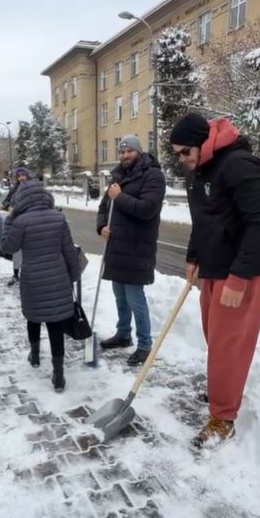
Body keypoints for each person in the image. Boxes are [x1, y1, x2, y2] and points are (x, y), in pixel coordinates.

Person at [170, 113, 260, 453]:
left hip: (240, 273)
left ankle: (224, 418)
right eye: (177, 155)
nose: (183, 160)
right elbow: (203, 222)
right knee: (215, 338)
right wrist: (192, 256)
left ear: (204, 142)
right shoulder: (199, 171)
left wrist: (239, 276)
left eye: (186, 151)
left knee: (228, 344)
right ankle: (223, 390)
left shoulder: (238, 165)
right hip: (214, 268)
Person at [2, 179, 79, 392]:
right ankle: (59, 375)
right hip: (58, 277)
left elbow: (8, 246)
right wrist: (72, 277)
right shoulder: (58, 218)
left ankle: (35, 356)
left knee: (33, 318)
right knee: (55, 324)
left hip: (32, 278)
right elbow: (69, 252)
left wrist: (9, 220)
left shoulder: (20, 221)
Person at [96, 135, 166, 366]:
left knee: (135, 298)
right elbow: (104, 206)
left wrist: (120, 196)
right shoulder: (118, 176)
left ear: (138, 152)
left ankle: (145, 345)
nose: (125, 155)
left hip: (137, 248)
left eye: (129, 151)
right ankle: (123, 334)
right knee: (120, 296)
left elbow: (147, 209)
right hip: (116, 247)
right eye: (122, 151)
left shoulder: (153, 175)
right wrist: (102, 227)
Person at [0, 167, 31, 285]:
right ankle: (16, 274)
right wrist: (8, 208)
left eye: (23, 175)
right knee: (17, 250)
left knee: (31, 250)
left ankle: (30, 274)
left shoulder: (33, 188)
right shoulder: (14, 190)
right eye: (19, 176)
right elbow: (5, 202)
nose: (21, 178)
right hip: (17, 223)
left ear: (27, 176)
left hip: (31, 223)